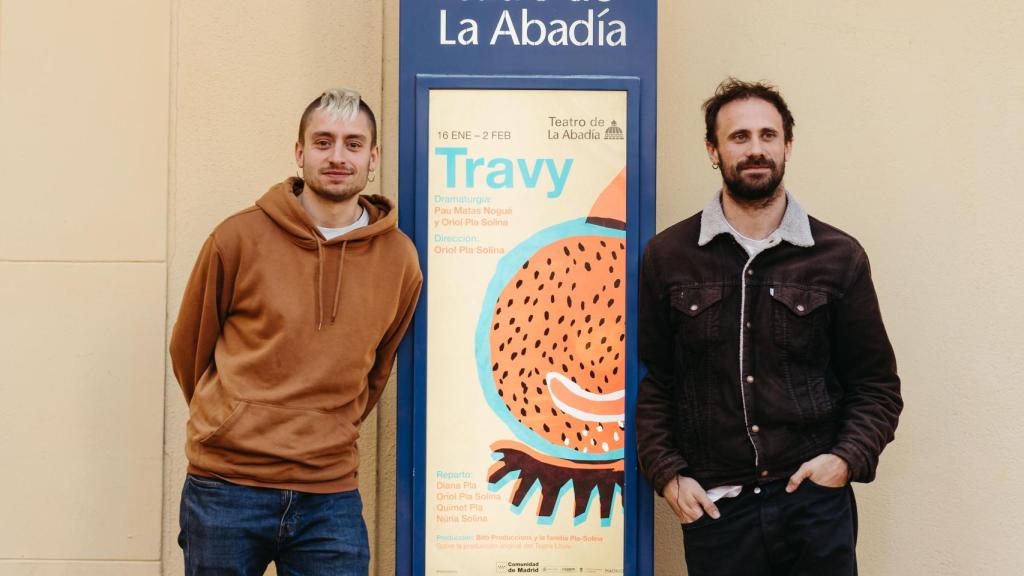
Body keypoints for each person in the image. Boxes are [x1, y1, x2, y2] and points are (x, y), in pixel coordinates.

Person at [636, 79, 902, 575]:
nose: (755, 149)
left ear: (788, 145)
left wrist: (843, 461)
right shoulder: (669, 257)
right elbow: (657, 384)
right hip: (719, 510)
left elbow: (877, 388)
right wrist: (669, 476)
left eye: (768, 135)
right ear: (713, 151)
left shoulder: (838, 256)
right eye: (738, 137)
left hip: (814, 505)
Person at [170, 88, 422, 575]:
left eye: (353, 144)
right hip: (225, 487)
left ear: (373, 158)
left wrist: (326, 429)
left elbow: (376, 370)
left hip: (329, 495)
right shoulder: (237, 238)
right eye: (323, 141)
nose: (337, 156)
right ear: (300, 152)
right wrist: (231, 417)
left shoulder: (400, 260)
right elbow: (190, 350)